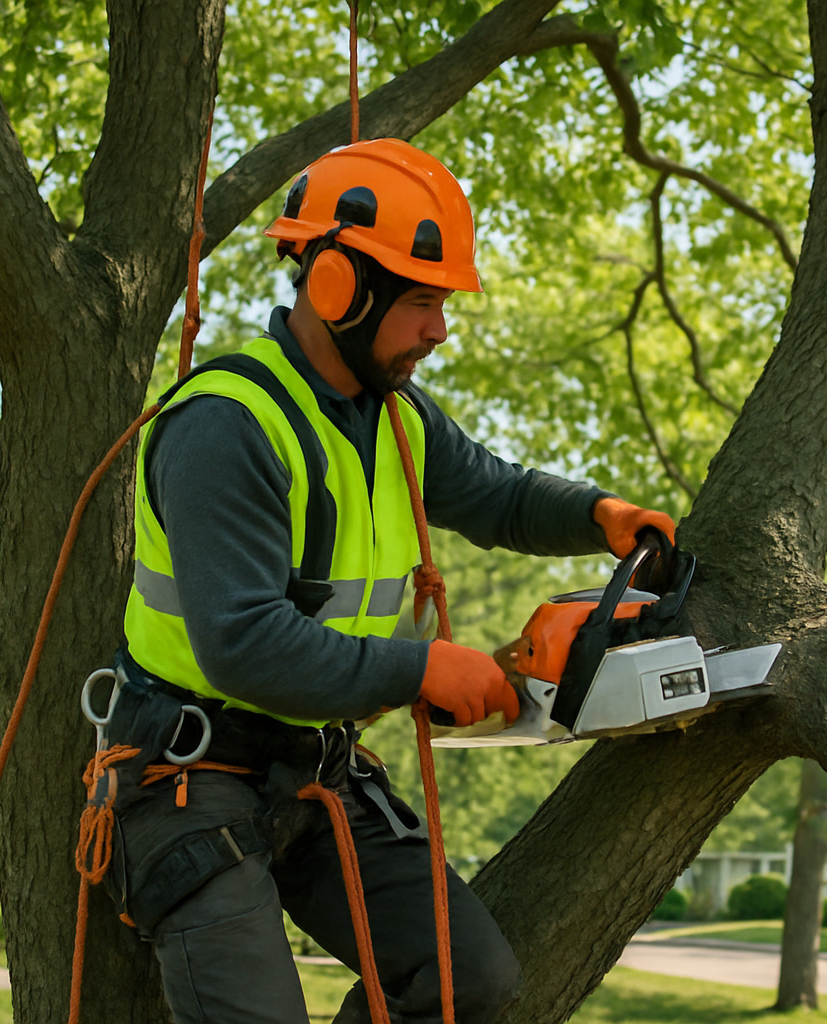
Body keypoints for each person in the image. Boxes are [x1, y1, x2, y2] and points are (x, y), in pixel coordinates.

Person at [100, 137, 676, 1024]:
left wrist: (596, 515)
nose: (438, 331)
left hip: (313, 768)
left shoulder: (397, 417)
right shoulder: (228, 425)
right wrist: (420, 670)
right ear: (337, 286)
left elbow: (495, 493)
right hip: (186, 775)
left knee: (467, 981)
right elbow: (245, 642)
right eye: (419, 303)